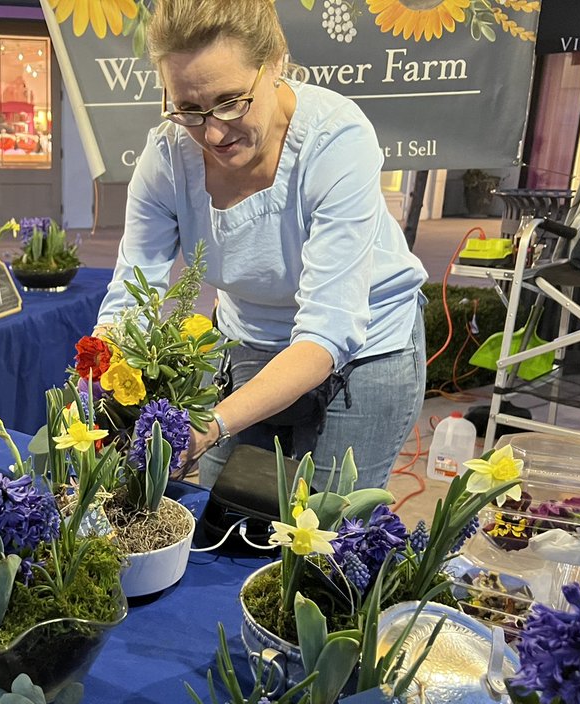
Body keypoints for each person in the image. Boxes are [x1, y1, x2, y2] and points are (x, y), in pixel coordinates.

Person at [95, 0, 427, 491]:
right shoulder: (167, 157)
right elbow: (131, 297)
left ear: (275, 62)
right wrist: (95, 382)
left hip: (366, 348)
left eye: (231, 101)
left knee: (320, 522)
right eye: (188, 109)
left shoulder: (335, 139)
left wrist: (209, 427)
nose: (212, 132)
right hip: (248, 338)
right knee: (223, 509)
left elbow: (328, 331)